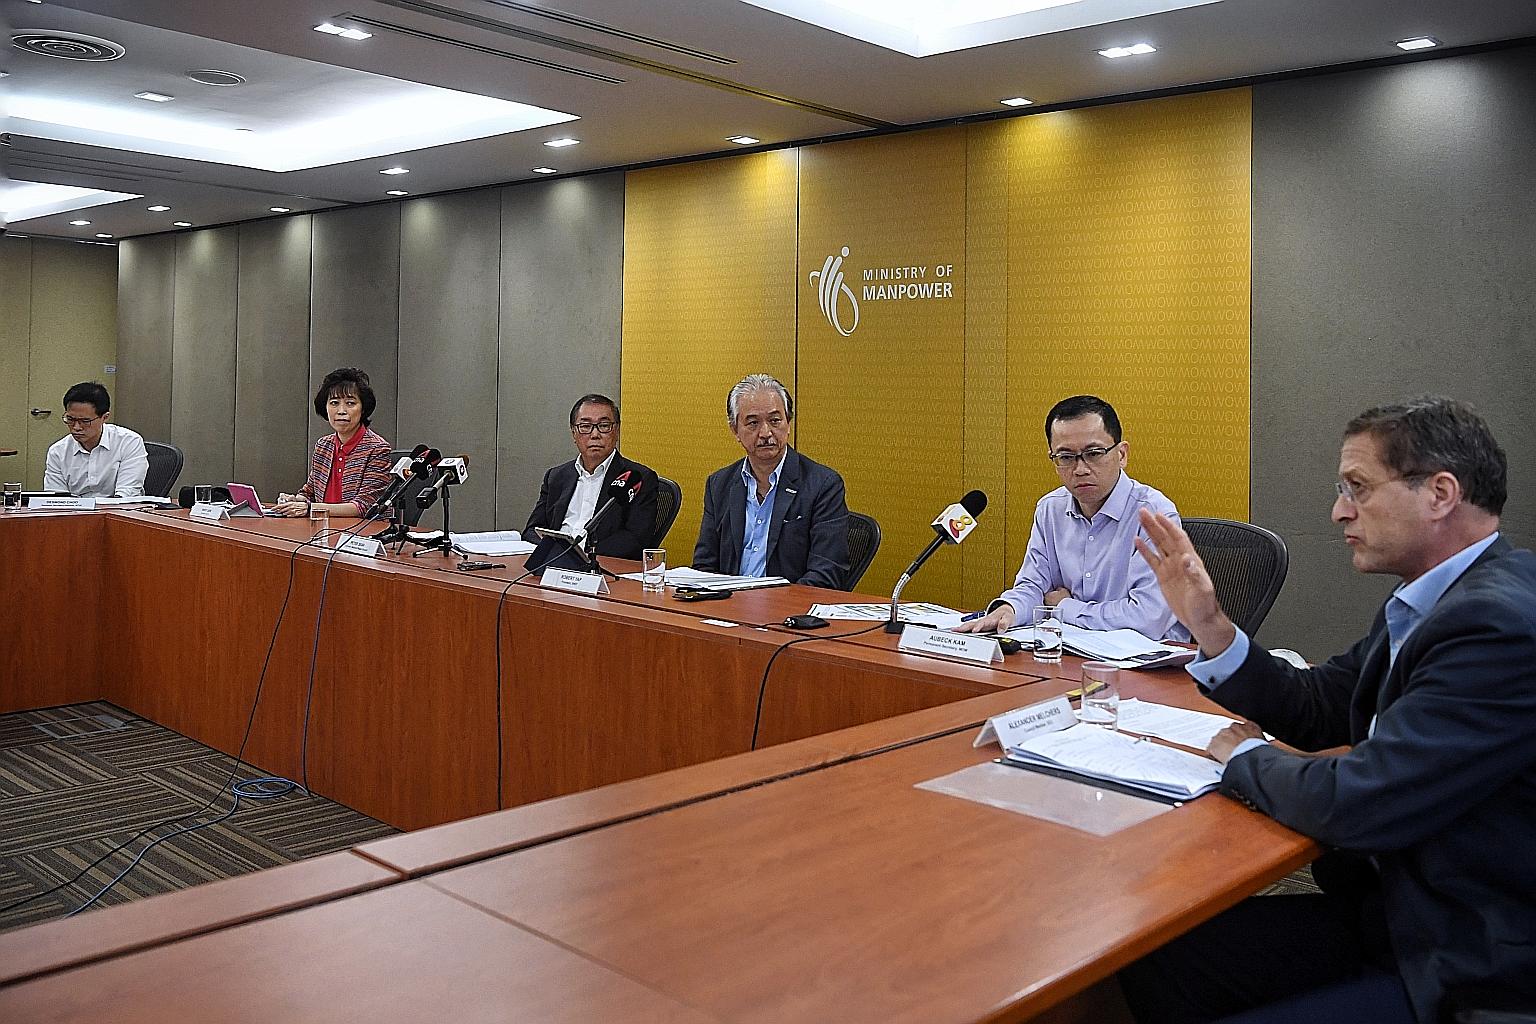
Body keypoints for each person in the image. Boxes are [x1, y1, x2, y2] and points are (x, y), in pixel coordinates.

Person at [1120, 396, 1536, 1024]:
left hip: (1466, 954)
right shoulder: (1437, 600)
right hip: (1394, 911)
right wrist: (1208, 624)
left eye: (1358, 488)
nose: (1339, 510)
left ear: (1441, 493)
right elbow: (1318, 706)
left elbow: (1363, 802)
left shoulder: (1494, 624)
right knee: (1159, 955)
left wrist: (1245, 756)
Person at [955, 395, 1189, 640]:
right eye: (1065, 457)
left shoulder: (1154, 515)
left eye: (1094, 453)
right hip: (1068, 654)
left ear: (1121, 455)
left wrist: (1063, 608)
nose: (1080, 469)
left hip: (1145, 668)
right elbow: (1033, 585)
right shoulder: (1050, 509)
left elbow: (1147, 618)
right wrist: (1008, 609)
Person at [693, 373, 850, 589]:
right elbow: (704, 567)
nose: (766, 432)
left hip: (786, 614)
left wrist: (771, 608)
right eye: (753, 423)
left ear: (788, 424)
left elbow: (826, 573)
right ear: (735, 430)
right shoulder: (719, 484)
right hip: (727, 608)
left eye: (775, 420)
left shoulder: (823, 485)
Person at [523, 394, 659, 561]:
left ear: (616, 431)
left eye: (604, 426)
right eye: (585, 426)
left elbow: (636, 539)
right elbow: (531, 531)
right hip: (554, 565)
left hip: (601, 568)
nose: (595, 434)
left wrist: (582, 554)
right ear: (574, 433)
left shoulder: (637, 478)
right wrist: (554, 552)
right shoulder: (556, 477)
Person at [273, 367, 394, 517]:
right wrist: (296, 501)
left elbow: (364, 506)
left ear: (363, 409)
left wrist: (310, 508)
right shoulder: (323, 445)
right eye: (334, 403)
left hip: (362, 533)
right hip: (324, 529)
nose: (341, 410)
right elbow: (309, 493)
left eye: (350, 403)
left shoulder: (377, 448)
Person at [43, 382, 149, 499]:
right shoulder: (58, 451)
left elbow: (127, 493)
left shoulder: (129, 442)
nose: (76, 427)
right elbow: (56, 498)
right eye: (70, 419)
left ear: (104, 417)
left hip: (119, 512)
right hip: (74, 514)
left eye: (85, 421)